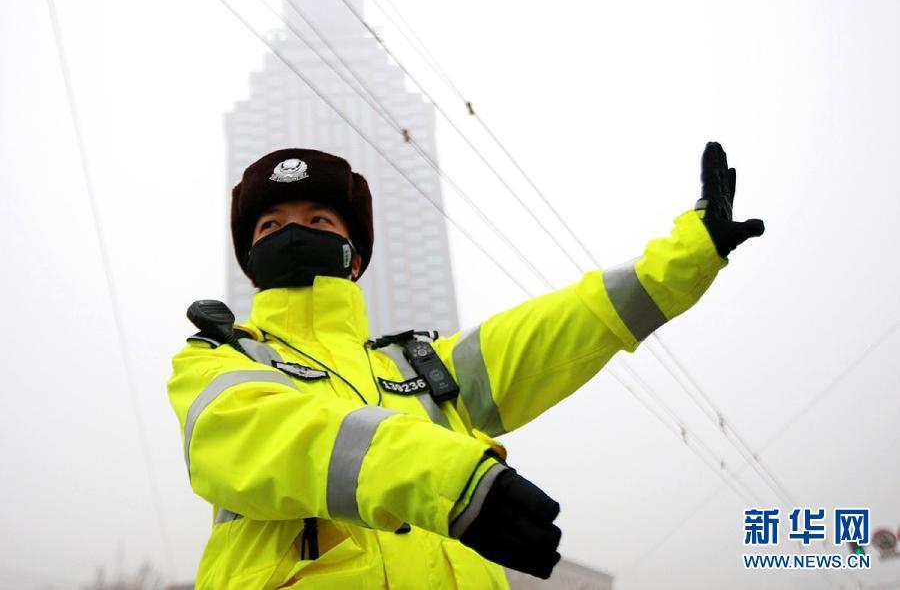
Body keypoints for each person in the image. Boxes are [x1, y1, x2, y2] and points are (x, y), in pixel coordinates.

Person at [167, 143, 764, 589]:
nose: (294, 233)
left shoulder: (422, 365)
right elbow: (267, 437)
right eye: (272, 226)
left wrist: (690, 255)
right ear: (251, 265)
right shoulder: (220, 358)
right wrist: (453, 483)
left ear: (355, 258)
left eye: (319, 220)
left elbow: (558, 328)